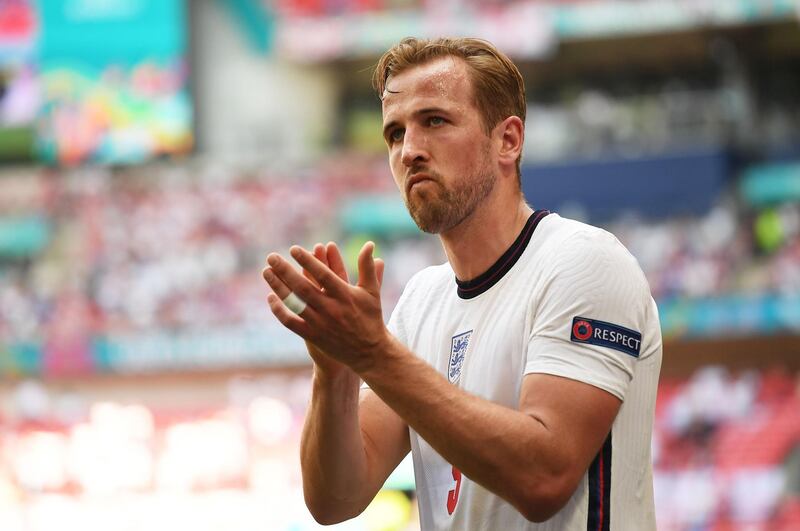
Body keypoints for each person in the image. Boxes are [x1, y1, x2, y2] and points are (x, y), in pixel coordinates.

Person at [262, 37, 662, 530]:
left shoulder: (583, 261)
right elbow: (334, 499)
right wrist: (335, 372)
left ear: (508, 141)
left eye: (434, 121)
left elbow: (544, 479)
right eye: (393, 133)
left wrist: (373, 355)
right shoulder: (423, 300)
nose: (409, 151)